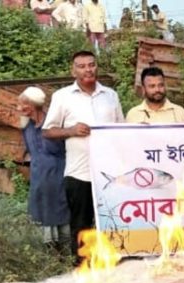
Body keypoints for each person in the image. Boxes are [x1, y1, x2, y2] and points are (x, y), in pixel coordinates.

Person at [43, 51, 124, 263]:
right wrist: (71, 130)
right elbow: (47, 131)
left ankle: (111, 266)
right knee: (81, 225)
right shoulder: (62, 96)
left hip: (109, 174)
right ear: (73, 71)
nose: (88, 69)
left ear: (97, 67)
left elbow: (121, 130)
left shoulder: (110, 95)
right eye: (81, 66)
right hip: (79, 173)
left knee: (111, 221)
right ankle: (83, 269)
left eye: (91, 64)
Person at [18, 87, 71, 253]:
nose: (19, 108)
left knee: (62, 213)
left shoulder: (52, 124)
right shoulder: (27, 127)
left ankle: (67, 255)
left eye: (23, 104)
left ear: (33, 105)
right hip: (39, 178)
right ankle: (48, 255)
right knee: (41, 213)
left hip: (58, 176)